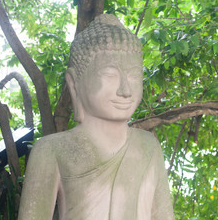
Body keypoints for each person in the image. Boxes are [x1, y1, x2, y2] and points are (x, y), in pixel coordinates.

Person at [18, 14, 174, 220]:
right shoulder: (51, 150)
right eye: (110, 75)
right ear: (74, 83)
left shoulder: (149, 146)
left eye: (135, 76)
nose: (125, 90)